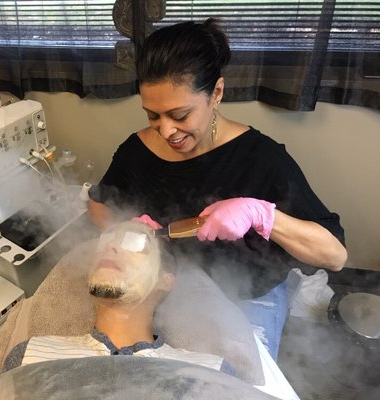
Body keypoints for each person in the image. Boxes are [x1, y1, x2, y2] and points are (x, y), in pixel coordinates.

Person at [87, 19, 347, 360]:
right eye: (152, 115)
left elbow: (335, 256)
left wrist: (262, 215)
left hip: (245, 296)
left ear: (217, 94)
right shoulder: (136, 151)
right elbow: (99, 205)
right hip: (169, 285)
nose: (166, 131)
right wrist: (126, 227)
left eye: (179, 115)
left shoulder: (260, 158)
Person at [1, 220, 233, 375]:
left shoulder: (209, 371)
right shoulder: (31, 354)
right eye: (106, 239)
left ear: (165, 280)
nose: (110, 246)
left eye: (134, 243)